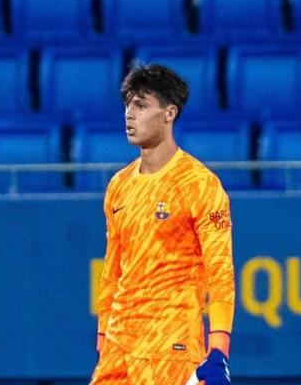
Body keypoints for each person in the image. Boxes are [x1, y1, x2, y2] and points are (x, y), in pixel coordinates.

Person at [91, 64, 234, 385]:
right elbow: (113, 271)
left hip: (170, 344)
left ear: (169, 114)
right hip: (119, 344)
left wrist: (219, 350)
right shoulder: (119, 185)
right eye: (128, 105)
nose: (129, 114)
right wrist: (103, 340)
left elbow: (220, 272)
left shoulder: (199, 184)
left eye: (141, 106)